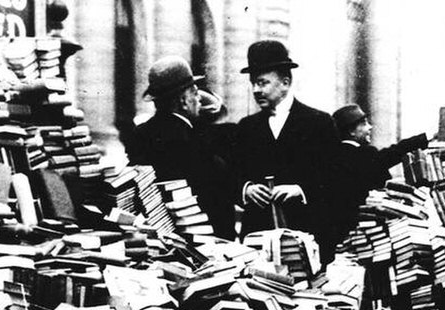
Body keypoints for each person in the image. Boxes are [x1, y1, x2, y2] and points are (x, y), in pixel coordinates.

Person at [231, 40, 341, 254]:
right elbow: (233, 174)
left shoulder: (319, 123)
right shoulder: (246, 127)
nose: (256, 90)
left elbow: (336, 178)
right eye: (253, 83)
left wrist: (300, 190)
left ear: (285, 82)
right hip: (257, 242)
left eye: (263, 83)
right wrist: (246, 189)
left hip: (306, 238)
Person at [122, 57, 236, 240]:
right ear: (184, 101)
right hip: (202, 242)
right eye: (195, 94)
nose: (199, 100)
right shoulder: (195, 140)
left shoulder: (140, 134)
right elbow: (217, 203)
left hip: (155, 239)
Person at [329, 104, 429, 246]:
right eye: (364, 124)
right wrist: (425, 139)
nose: (370, 127)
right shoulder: (364, 154)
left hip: (343, 233)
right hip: (373, 232)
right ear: (351, 131)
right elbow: (394, 152)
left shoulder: (333, 157)